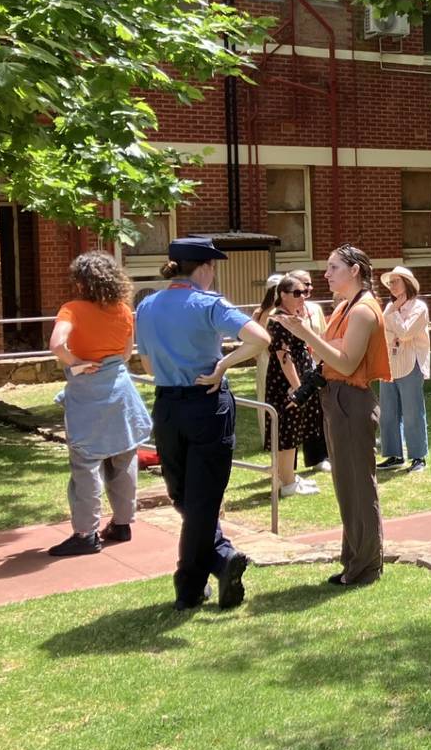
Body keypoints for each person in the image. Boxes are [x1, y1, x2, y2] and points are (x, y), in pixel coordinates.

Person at [135, 236, 270, 610]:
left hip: (167, 407)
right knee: (202, 498)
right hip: (207, 404)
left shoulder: (146, 306)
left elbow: (146, 364)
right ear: (205, 268)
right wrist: (222, 365)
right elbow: (260, 338)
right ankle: (215, 562)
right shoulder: (208, 303)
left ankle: (196, 581)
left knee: (184, 495)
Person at [275, 243, 391, 586]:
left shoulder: (363, 311)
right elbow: (329, 360)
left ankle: (365, 567)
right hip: (337, 399)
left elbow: (346, 362)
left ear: (354, 270)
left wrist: (304, 332)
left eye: (333, 267)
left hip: (351, 401)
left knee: (358, 488)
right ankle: (355, 561)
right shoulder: (346, 308)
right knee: (346, 487)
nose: (325, 274)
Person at [46, 252, 152, 556]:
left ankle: (86, 533)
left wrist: (76, 361)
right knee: (123, 456)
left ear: (82, 281)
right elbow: (124, 353)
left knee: (85, 462)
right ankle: (122, 523)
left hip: (88, 391)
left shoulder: (72, 309)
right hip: (119, 389)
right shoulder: (123, 309)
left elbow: (56, 345)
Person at [252, 274, 324, 499]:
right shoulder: (278, 320)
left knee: (292, 433)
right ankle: (288, 483)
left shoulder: (290, 316)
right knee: (287, 434)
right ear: (282, 295)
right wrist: (298, 389)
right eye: (296, 293)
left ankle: (288, 477)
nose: (302, 296)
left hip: (296, 383)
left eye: (304, 292)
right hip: (286, 386)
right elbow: (285, 358)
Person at [377, 265, 430, 473]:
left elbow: (406, 333)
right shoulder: (389, 308)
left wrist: (395, 325)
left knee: (412, 412)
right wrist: (394, 325)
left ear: (407, 283)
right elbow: (382, 333)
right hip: (389, 363)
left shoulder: (419, 307)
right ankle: (394, 455)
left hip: (411, 363)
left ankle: (418, 457)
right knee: (388, 411)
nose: (391, 286)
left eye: (395, 281)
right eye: (389, 282)